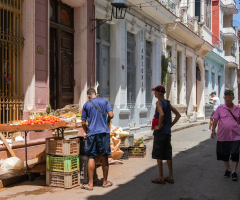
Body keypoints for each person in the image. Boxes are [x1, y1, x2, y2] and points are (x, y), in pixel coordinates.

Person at [81, 88, 114, 190]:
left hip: (92, 133)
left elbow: (83, 123)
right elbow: (111, 115)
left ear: (88, 95)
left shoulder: (86, 105)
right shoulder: (105, 101)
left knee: (91, 157)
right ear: (96, 94)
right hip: (104, 132)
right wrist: (107, 121)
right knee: (104, 156)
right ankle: (105, 182)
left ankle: (90, 184)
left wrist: (88, 132)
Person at [151, 85, 181, 184]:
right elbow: (178, 115)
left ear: (159, 93)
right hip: (167, 133)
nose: (154, 93)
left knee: (159, 155)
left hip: (160, 133)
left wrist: (159, 126)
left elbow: (161, 114)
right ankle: (170, 176)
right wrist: (170, 125)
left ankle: (160, 177)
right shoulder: (168, 103)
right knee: (168, 154)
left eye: (155, 92)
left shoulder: (158, 102)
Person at [211, 90, 240, 181]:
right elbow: (215, 120)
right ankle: (227, 169)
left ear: (233, 98)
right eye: (226, 97)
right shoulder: (220, 108)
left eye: (229, 97)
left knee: (235, 154)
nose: (227, 99)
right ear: (224, 98)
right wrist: (213, 131)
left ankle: (234, 172)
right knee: (225, 154)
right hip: (223, 136)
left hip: (236, 136)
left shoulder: (238, 109)